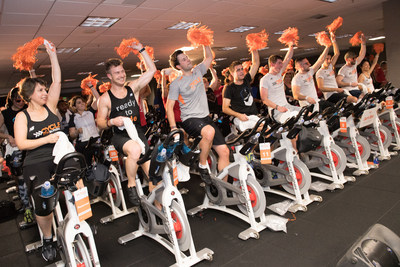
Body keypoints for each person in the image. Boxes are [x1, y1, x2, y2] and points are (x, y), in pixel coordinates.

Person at [14, 41, 61, 261]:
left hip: (59, 156)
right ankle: (48, 237)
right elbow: (22, 144)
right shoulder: (23, 117)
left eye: (45, 89)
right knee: (44, 204)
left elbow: (57, 80)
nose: (45, 92)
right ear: (30, 94)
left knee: (79, 183)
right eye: (41, 90)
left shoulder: (50, 106)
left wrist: (52, 54)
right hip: (37, 162)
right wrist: (47, 138)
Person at [96, 41, 156, 206]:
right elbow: (100, 123)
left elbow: (152, 70)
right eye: (117, 73)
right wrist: (111, 121)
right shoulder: (105, 98)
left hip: (137, 132)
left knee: (153, 176)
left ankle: (155, 208)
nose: (121, 75)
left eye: (122, 71)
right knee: (135, 150)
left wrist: (142, 50)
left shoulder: (133, 88)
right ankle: (130, 184)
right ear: (109, 76)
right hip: (120, 136)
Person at [166, 46, 230, 183]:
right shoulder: (176, 83)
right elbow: (169, 106)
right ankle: (202, 165)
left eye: (187, 57)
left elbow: (209, 57)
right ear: (179, 66)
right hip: (190, 119)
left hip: (205, 118)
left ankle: (224, 187)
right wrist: (173, 127)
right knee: (209, 132)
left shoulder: (198, 71)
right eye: (184, 59)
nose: (187, 60)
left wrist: (204, 43)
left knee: (225, 152)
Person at [0, 87, 31, 216]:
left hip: (31, 146)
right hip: (16, 149)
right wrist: (9, 137)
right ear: (12, 100)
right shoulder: (5, 114)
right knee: (20, 179)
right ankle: (26, 206)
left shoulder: (28, 110)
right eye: (18, 100)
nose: (21, 102)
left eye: (23, 100)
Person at [260, 44, 298, 122]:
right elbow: (264, 100)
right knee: (291, 121)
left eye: (281, 63)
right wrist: (277, 107)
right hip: (276, 111)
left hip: (287, 106)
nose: (281, 65)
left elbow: (288, 58)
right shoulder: (265, 79)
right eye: (279, 63)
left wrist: (291, 46)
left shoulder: (279, 74)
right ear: (272, 64)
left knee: (307, 114)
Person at [316, 32, 357, 104]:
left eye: (330, 59)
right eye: (327, 59)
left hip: (337, 93)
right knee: (353, 99)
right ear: (322, 60)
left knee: (354, 101)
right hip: (330, 96)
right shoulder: (320, 72)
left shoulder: (330, 67)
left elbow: (337, 53)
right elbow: (321, 87)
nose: (329, 61)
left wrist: (333, 40)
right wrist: (336, 89)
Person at [222, 49, 260, 124]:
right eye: (238, 70)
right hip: (242, 119)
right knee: (261, 129)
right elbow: (225, 108)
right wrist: (238, 115)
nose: (241, 71)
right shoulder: (229, 88)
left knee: (267, 131)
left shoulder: (246, 80)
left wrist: (254, 48)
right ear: (232, 73)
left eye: (242, 69)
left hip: (254, 116)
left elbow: (256, 63)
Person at [292, 42, 331, 111]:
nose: (309, 64)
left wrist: (327, 47)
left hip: (316, 102)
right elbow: (296, 95)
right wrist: (307, 98)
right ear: (300, 66)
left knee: (332, 108)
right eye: (306, 63)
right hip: (307, 106)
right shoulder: (296, 79)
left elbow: (321, 60)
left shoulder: (310, 71)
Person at [68, 95, 100, 164]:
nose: (82, 103)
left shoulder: (90, 112)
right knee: (86, 163)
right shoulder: (73, 117)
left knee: (100, 160)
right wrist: (77, 131)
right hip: (84, 143)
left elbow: (98, 98)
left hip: (95, 139)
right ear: (74, 107)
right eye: (79, 103)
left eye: (83, 102)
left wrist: (91, 86)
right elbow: (72, 135)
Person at [336, 33, 367, 98]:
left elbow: (361, 55)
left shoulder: (354, 64)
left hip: (356, 89)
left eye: (355, 58)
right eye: (353, 58)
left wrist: (363, 44)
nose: (355, 60)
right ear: (347, 59)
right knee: (363, 97)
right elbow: (338, 82)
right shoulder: (343, 70)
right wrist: (350, 84)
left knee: (367, 96)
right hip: (350, 91)